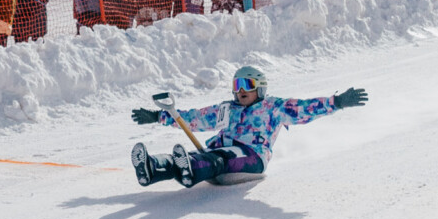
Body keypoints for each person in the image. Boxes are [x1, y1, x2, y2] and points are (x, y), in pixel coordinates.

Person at [130, 64, 367, 187]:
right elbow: (195, 118)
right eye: (237, 85)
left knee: (221, 156)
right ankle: (153, 167)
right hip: (218, 155)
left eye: (247, 84)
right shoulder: (227, 109)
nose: (240, 91)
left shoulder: (273, 108)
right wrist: (158, 116)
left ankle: (190, 171)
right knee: (202, 154)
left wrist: (336, 102)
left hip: (252, 157)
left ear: (260, 87)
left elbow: (302, 108)